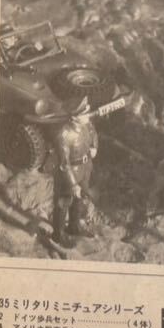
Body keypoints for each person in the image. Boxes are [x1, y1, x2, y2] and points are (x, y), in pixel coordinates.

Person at [50, 97, 99, 248]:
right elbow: (64, 164)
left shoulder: (86, 124)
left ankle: (74, 226)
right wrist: (73, 184)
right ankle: (58, 234)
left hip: (84, 168)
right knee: (64, 202)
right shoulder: (64, 135)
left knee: (79, 200)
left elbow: (93, 133)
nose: (88, 115)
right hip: (69, 174)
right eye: (85, 113)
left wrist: (94, 146)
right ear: (75, 117)